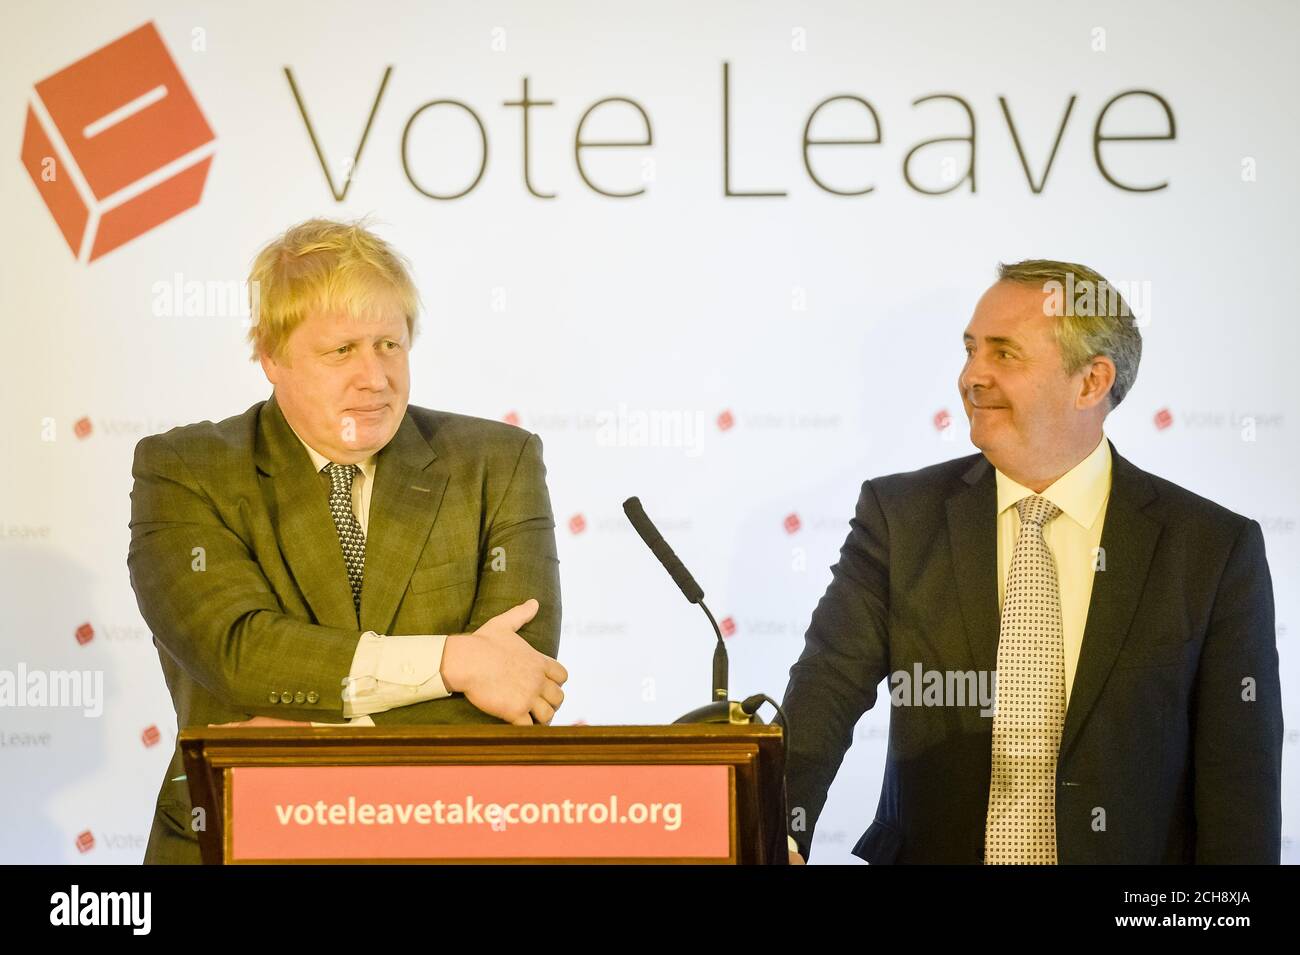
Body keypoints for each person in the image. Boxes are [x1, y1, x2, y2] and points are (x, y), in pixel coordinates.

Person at [780, 259, 1282, 864]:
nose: (971, 376)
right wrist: (778, 831)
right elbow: (826, 688)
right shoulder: (899, 516)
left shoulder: (1210, 548)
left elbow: (1239, 779)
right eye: (969, 351)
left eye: (1004, 354)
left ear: (1092, 382)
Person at [128, 218, 567, 865]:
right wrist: (454, 662)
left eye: (390, 344)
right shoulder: (185, 468)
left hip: (446, 839)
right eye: (343, 351)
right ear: (271, 355)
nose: (375, 376)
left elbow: (519, 681)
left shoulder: (496, 461)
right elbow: (239, 653)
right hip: (237, 834)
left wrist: (304, 744)